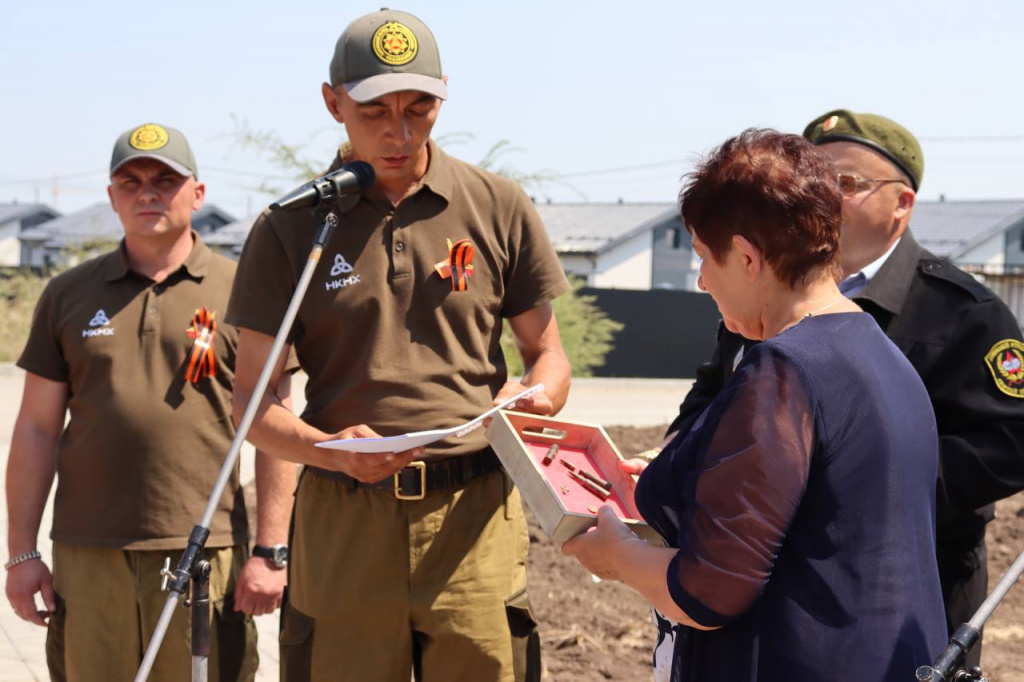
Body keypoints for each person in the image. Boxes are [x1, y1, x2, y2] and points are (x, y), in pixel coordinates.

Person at [225, 9, 571, 682]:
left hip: (473, 522)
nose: (399, 132)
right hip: (341, 520)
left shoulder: (497, 204)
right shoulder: (290, 229)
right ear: (333, 103)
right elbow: (251, 401)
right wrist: (327, 450)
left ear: (445, 95)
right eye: (375, 110)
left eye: (420, 108)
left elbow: (549, 356)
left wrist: (536, 396)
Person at [563, 129, 947, 682]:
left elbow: (710, 591)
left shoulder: (783, 370)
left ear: (746, 257)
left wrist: (617, 556)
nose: (700, 281)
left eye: (702, 257)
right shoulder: (881, 353)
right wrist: (698, 471)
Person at [667, 110, 1024, 668]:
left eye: (847, 183)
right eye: (814, 177)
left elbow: (1008, 443)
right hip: (772, 575)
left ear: (901, 203)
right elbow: (714, 389)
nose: (824, 194)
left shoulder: (963, 312)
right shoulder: (762, 293)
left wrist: (847, 485)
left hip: (911, 576)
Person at [4, 123, 296, 682]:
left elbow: (277, 428)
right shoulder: (67, 294)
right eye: (130, 180)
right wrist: (21, 554)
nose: (148, 192)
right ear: (112, 197)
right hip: (88, 556)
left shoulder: (247, 293)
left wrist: (270, 551)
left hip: (205, 554)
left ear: (198, 193)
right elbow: (36, 431)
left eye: (166, 179)